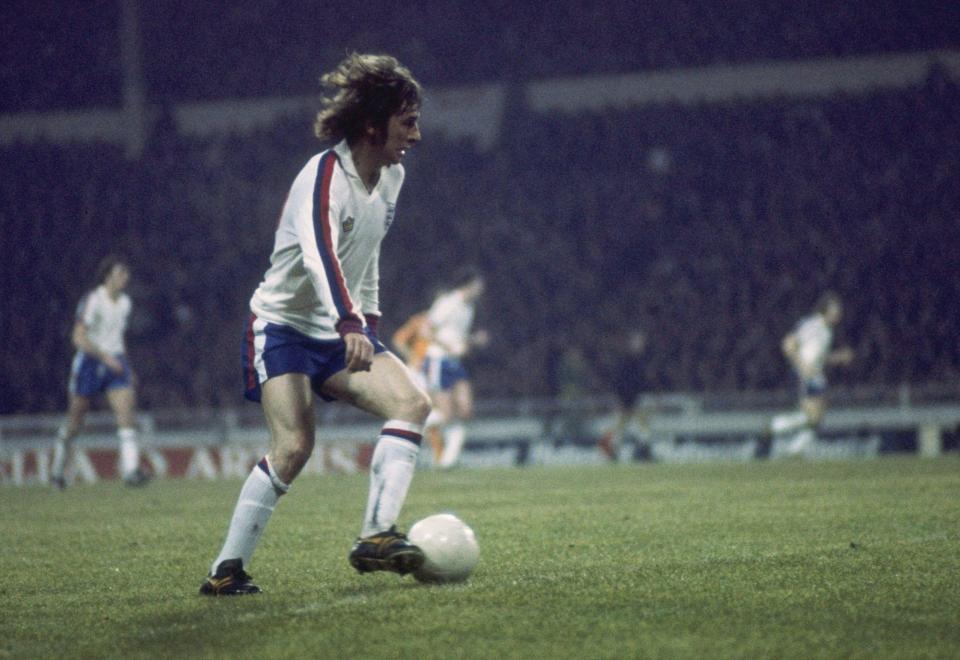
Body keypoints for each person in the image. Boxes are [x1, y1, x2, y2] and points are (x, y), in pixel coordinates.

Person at [200, 53, 431, 596]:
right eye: (408, 123)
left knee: (412, 404)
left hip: (337, 326)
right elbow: (319, 255)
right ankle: (224, 571)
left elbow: (366, 254)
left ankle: (375, 535)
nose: (416, 136)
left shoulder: (392, 177)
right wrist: (350, 319)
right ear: (374, 124)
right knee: (294, 447)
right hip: (280, 326)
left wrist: (366, 321)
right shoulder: (323, 174)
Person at [50, 255, 151, 488]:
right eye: (120, 274)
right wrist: (105, 358)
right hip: (90, 363)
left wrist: (126, 364)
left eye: (126, 273)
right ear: (107, 277)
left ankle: (131, 471)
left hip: (116, 363)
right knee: (75, 421)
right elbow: (78, 337)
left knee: (127, 415)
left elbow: (116, 337)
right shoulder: (93, 300)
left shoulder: (125, 303)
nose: (125, 278)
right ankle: (57, 471)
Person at [767, 292, 854, 457]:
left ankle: (792, 445)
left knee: (816, 417)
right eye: (835, 311)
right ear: (825, 311)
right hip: (805, 375)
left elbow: (820, 358)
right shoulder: (811, 325)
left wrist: (839, 357)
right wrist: (802, 366)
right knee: (813, 416)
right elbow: (787, 344)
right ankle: (779, 430)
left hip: (816, 375)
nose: (839, 315)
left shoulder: (827, 331)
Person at [421, 269, 488, 469]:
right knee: (447, 415)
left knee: (466, 410)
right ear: (468, 285)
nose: (481, 289)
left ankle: (449, 459)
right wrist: (447, 347)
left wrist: (473, 340)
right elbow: (426, 330)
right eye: (478, 284)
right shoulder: (448, 303)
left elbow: (457, 337)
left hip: (454, 362)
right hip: (437, 360)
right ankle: (412, 425)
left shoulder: (469, 308)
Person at [596, 329, 651, 461]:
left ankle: (639, 450)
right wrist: (622, 400)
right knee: (626, 426)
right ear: (631, 343)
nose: (640, 345)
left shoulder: (637, 360)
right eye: (638, 342)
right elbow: (621, 382)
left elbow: (637, 382)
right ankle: (613, 450)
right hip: (627, 399)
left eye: (641, 342)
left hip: (633, 398)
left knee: (632, 425)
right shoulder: (628, 361)